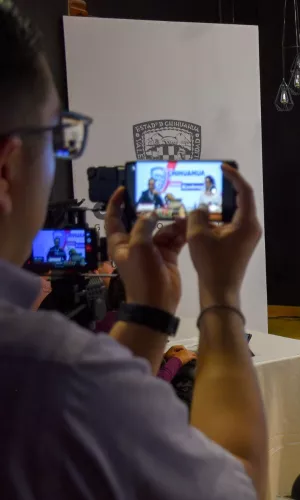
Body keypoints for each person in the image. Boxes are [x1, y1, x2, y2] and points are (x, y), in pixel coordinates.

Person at [0, 3, 266, 497]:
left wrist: (148, 311)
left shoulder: (63, 377)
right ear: (7, 168)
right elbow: (239, 482)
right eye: (58, 138)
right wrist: (221, 296)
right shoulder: (56, 375)